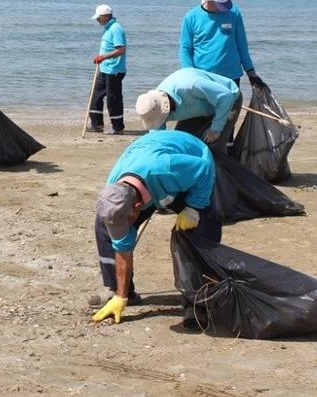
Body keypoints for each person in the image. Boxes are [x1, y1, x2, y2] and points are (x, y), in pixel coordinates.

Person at [91, 129, 221, 326]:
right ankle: (118, 289)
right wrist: (121, 296)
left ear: (137, 208)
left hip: (191, 167)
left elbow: (204, 169)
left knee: (199, 228)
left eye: (127, 221)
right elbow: (122, 246)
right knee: (103, 227)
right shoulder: (113, 190)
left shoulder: (166, 169)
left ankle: (196, 301)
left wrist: (193, 207)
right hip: (146, 177)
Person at [179, 0, 265, 90]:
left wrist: (251, 72)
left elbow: (242, 44)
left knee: (230, 107)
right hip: (203, 79)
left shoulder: (234, 13)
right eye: (221, 4)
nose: (225, 7)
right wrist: (190, 75)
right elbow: (185, 49)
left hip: (231, 78)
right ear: (210, 0)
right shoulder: (191, 17)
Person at [135, 67, 242, 154]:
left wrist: (215, 129)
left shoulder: (191, 85)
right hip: (196, 109)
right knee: (183, 146)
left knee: (213, 149)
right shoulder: (153, 107)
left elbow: (225, 96)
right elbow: (158, 137)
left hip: (227, 103)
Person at [88, 4, 127, 135]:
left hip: (114, 70)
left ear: (105, 16)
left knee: (113, 99)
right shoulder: (108, 28)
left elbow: (121, 50)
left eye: (98, 18)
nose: (97, 20)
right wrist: (101, 58)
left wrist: (103, 56)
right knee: (95, 95)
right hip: (104, 69)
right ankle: (96, 125)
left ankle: (118, 127)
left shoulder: (116, 29)